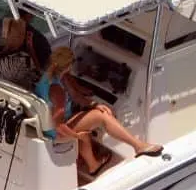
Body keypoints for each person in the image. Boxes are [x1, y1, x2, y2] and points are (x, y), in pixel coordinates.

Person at [35, 47, 162, 176]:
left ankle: (93, 166)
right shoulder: (57, 90)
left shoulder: (53, 76)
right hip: (56, 133)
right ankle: (139, 146)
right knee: (101, 116)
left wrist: (95, 104)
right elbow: (59, 125)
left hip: (51, 125)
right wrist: (77, 136)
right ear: (68, 65)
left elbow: (76, 96)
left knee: (98, 111)